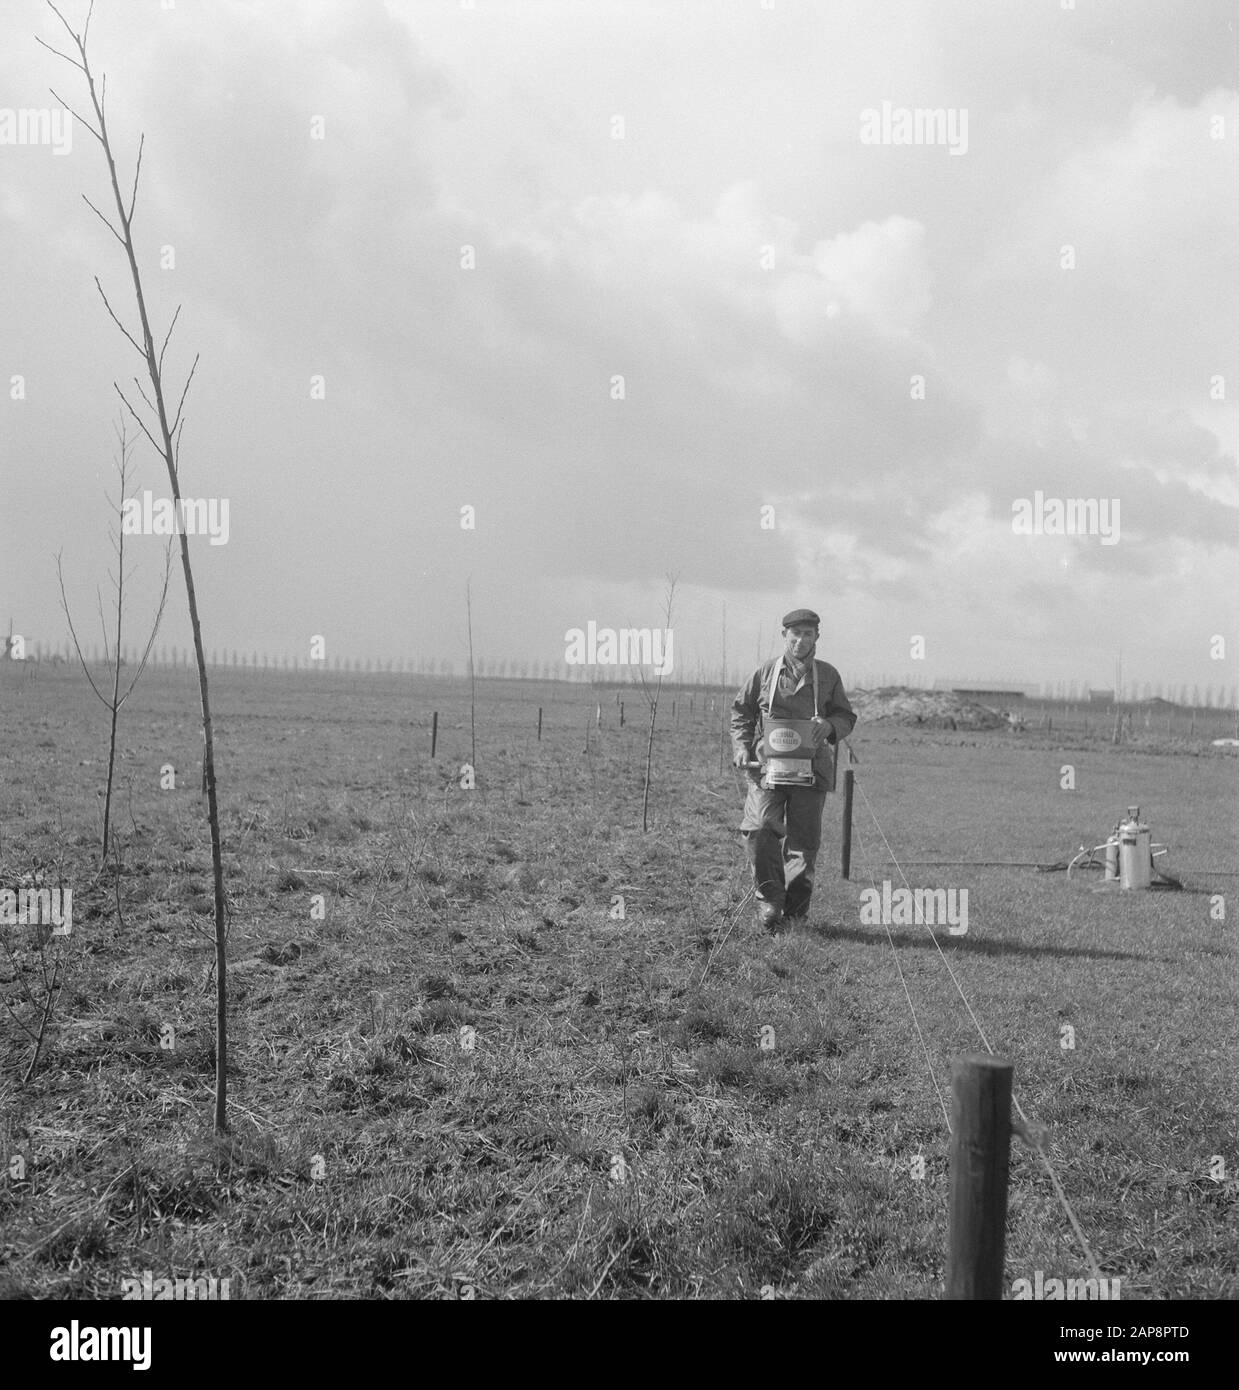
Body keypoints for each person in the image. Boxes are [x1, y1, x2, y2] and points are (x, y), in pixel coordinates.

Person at [730, 608, 856, 931]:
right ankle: (771, 901)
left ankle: (797, 913)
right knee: (758, 828)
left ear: (817, 637)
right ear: (784, 635)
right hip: (767, 770)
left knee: (803, 843)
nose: (801, 640)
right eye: (795, 634)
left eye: (808, 634)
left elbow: (846, 717)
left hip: (811, 771)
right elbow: (741, 712)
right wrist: (742, 747)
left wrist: (828, 725)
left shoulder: (828, 676)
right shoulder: (765, 673)